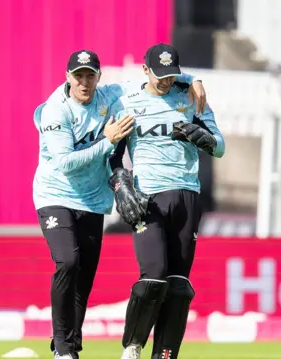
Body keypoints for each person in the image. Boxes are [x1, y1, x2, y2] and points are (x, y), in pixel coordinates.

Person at [33, 49, 207, 359]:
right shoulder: (55, 111)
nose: (84, 82)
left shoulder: (109, 95)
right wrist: (108, 141)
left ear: (98, 77)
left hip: (92, 200)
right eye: (78, 76)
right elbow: (66, 164)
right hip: (55, 195)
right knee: (68, 262)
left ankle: (70, 347)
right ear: (67, 77)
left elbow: (153, 78)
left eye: (90, 75)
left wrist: (193, 79)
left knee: (83, 279)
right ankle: (62, 349)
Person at [107, 43, 224, 359]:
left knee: (178, 285)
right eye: (159, 76)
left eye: (172, 75)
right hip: (148, 198)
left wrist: (203, 137)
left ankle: (165, 354)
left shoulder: (190, 97)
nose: (166, 81)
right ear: (145, 70)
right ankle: (132, 346)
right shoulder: (127, 102)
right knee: (154, 275)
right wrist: (120, 184)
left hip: (187, 195)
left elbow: (220, 146)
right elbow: (115, 155)